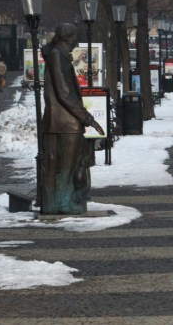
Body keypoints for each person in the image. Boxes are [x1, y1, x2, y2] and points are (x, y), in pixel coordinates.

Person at [41, 23, 105, 215]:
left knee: (72, 164)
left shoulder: (59, 55)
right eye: (74, 38)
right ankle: (61, 202)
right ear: (66, 38)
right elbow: (64, 93)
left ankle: (66, 200)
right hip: (64, 122)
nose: (76, 42)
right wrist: (87, 118)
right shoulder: (56, 56)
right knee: (65, 167)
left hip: (67, 122)